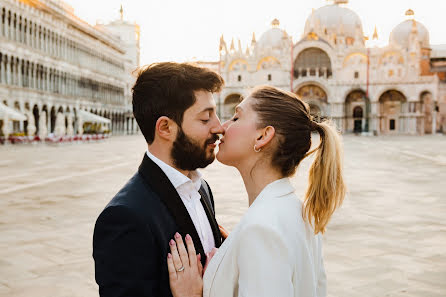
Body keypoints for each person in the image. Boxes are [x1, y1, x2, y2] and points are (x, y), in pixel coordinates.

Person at [166, 85, 346, 297]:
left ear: (262, 136)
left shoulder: (261, 230)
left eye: (236, 118)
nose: (222, 127)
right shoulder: (299, 213)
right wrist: (234, 257)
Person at [93, 62, 226, 297]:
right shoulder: (125, 218)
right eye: (205, 119)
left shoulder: (201, 188)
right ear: (165, 127)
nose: (219, 127)